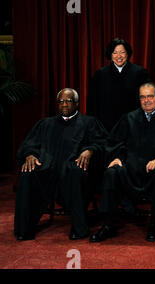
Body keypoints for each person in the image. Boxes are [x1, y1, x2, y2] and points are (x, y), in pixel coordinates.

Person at [89, 83, 155, 243]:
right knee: (112, 172)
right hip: (131, 167)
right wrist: (118, 157)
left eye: (150, 96)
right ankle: (108, 224)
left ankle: (154, 223)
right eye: (143, 97)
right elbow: (114, 142)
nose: (146, 100)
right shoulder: (129, 118)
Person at [14, 88, 108, 241]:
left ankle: (79, 227)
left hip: (72, 170)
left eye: (68, 101)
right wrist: (29, 154)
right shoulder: (45, 123)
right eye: (61, 101)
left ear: (76, 103)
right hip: (47, 169)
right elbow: (28, 145)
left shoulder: (89, 122)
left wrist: (90, 150)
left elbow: (103, 144)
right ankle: (24, 229)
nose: (64, 104)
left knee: (78, 173)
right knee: (28, 174)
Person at [88, 38, 151, 131]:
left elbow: (147, 99)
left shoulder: (139, 73)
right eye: (115, 53)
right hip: (106, 127)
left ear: (127, 53)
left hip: (133, 124)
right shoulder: (100, 74)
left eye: (122, 52)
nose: (119, 56)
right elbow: (93, 103)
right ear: (110, 55)